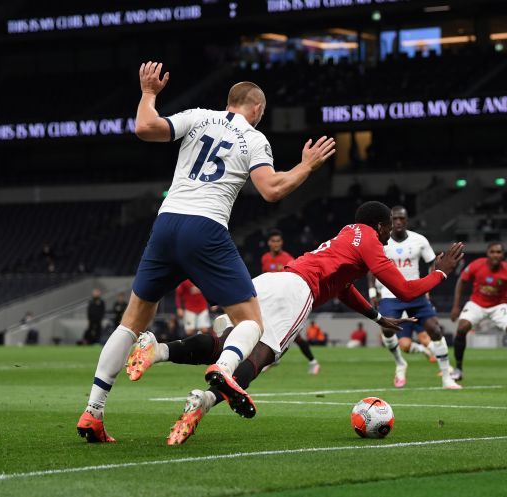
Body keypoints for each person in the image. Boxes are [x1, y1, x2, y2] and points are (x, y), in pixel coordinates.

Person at [76, 61, 336, 443]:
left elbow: (145, 127)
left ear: (228, 102)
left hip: (166, 224)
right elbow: (271, 189)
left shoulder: (198, 117)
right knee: (251, 321)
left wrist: (148, 93)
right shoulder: (254, 138)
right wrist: (307, 165)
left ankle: (93, 411)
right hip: (206, 228)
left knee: (131, 322)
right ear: (257, 109)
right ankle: (224, 369)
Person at [125, 201, 464, 445]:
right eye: (389, 223)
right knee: (265, 354)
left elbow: (343, 288)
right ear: (379, 225)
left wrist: (376, 317)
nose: (391, 229)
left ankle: (164, 356)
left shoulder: (348, 235)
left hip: (272, 282)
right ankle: (216, 387)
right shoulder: (372, 241)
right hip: (297, 291)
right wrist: (441, 272)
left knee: (227, 340)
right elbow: (404, 289)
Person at [366, 205, 458, 389]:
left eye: (402, 219)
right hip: (389, 294)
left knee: (435, 330)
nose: (398, 222)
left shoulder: (419, 240)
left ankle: (447, 377)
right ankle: (400, 363)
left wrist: (429, 287)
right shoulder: (381, 241)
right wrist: (372, 292)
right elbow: (371, 268)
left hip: (416, 292)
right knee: (387, 331)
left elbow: (432, 263)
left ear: (407, 221)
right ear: (390, 221)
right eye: (395, 219)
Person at [450, 242, 507, 384]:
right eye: (492, 252)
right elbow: (461, 281)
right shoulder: (477, 265)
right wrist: (456, 306)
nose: (495, 255)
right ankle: (458, 369)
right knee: (462, 328)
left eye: (499, 252)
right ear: (487, 253)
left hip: (499, 306)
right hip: (477, 303)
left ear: (503, 255)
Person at [262, 229, 320, 374]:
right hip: (272, 299)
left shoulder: (287, 258)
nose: (276, 244)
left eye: (278, 241)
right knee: (268, 329)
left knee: (295, 335)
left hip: (285, 300)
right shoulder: (265, 258)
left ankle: (313, 361)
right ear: (269, 243)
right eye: (273, 241)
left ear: (282, 243)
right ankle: (274, 358)